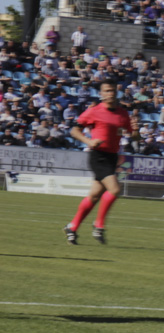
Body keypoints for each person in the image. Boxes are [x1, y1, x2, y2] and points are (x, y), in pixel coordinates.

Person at [64, 81, 139, 245]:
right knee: (115, 189)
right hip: (98, 155)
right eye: (107, 91)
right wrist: (88, 141)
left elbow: (134, 137)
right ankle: (99, 225)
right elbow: (74, 130)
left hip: (112, 157)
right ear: (101, 94)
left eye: (113, 90)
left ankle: (73, 226)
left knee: (94, 195)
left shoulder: (122, 114)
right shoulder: (94, 111)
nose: (110, 93)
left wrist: (136, 131)